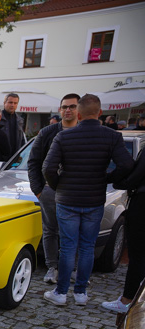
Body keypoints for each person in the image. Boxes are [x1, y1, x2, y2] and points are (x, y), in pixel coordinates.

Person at [42, 93, 134, 306]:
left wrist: (58, 186)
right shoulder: (112, 136)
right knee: (87, 246)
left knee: (67, 247)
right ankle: (81, 293)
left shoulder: (64, 137)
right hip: (94, 198)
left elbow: (48, 168)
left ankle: (61, 293)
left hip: (67, 199)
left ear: (79, 114)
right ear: (100, 113)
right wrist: (108, 179)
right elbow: (127, 165)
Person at [27, 93, 80, 285]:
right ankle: (52, 267)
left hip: (75, 191)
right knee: (50, 230)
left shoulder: (83, 132)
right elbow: (33, 162)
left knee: (73, 231)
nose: (68, 110)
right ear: (60, 109)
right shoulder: (47, 132)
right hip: (49, 191)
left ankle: (71, 268)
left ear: (78, 110)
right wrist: (38, 189)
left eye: (72, 106)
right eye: (65, 106)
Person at [102, 150, 145, 313]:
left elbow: (136, 175)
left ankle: (128, 300)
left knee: (137, 253)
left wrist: (115, 181)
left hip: (142, 204)